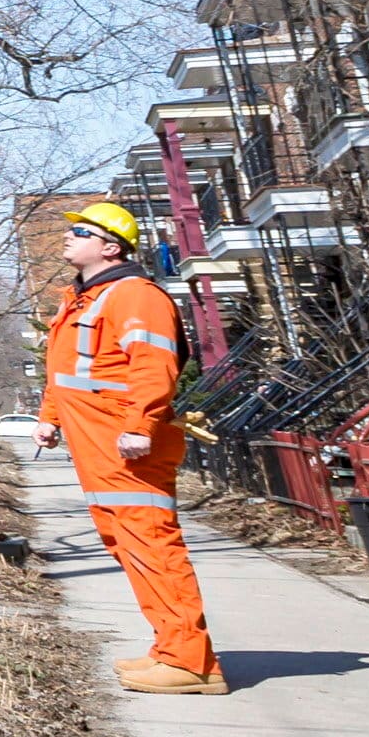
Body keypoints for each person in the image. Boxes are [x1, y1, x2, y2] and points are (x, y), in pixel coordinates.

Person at [41, 202, 224, 693]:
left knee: (152, 545)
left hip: (127, 446)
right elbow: (66, 371)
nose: (68, 238)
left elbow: (151, 366)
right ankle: (171, 649)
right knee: (129, 547)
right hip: (99, 448)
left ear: (110, 246)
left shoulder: (135, 296)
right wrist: (49, 419)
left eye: (80, 232)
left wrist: (140, 426)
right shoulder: (81, 299)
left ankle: (192, 663)